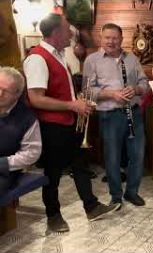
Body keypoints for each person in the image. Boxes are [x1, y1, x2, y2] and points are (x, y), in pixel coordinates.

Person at [24, 13, 119, 234]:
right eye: (68, 29)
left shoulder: (58, 55)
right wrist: (72, 106)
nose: (72, 33)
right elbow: (36, 98)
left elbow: (61, 91)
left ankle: (92, 206)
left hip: (68, 123)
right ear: (56, 33)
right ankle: (53, 216)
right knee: (53, 174)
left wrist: (78, 101)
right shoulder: (37, 58)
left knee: (80, 166)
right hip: (52, 127)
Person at [83, 23, 149, 208]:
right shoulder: (92, 60)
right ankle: (116, 196)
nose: (111, 41)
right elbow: (87, 91)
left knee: (137, 155)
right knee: (112, 157)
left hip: (133, 113)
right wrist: (112, 94)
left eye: (115, 38)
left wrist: (135, 89)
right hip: (109, 115)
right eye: (107, 38)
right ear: (101, 39)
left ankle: (132, 192)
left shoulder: (132, 58)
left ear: (121, 40)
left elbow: (145, 83)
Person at [0, 67, 41, 196]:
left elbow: (32, 153)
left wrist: (4, 163)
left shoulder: (27, 118)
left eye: (5, 91)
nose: (0, 93)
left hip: (3, 170)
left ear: (17, 94)